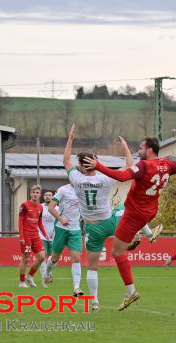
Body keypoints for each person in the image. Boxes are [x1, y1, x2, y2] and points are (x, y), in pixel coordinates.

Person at [83, 137, 176, 310]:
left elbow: (122, 176)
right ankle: (147, 234)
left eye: (142, 147)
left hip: (134, 215)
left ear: (150, 149)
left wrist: (98, 166)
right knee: (123, 243)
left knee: (117, 251)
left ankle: (131, 291)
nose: (139, 150)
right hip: (150, 212)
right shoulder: (167, 164)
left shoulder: (144, 166)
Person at [62, 124, 134, 310]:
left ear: (80, 166)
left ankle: (94, 301)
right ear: (95, 163)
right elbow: (128, 166)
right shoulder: (105, 178)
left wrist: (70, 139)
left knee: (92, 267)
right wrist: (125, 148)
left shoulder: (77, 179)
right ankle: (141, 234)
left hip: (92, 227)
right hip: (110, 223)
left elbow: (66, 161)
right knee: (127, 208)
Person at [46, 183, 83, 296]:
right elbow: (50, 208)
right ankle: (48, 271)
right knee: (54, 258)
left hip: (75, 230)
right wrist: (61, 219)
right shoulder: (63, 189)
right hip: (61, 228)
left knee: (76, 258)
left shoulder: (84, 189)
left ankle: (76, 287)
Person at [18, 185, 50, 288]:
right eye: (33, 192)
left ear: (40, 195)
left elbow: (39, 222)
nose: (35, 194)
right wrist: (21, 237)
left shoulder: (40, 207)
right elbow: (20, 221)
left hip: (35, 235)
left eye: (37, 193)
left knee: (41, 257)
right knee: (26, 259)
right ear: (30, 194)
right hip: (26, 235)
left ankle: (30, 276)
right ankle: (22, 282)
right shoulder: (24, 205)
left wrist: (45, 235)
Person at [39, 190, 56, 288]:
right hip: (41, 235)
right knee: (42, 257)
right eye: (46, 195)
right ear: (43, 197)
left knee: (52, 258)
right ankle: (45, 277)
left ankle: (48, 273)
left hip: (54, 236)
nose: (47, 196)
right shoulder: (40, 207)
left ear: (53, 197)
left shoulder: (56, 208)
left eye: (49, 195)